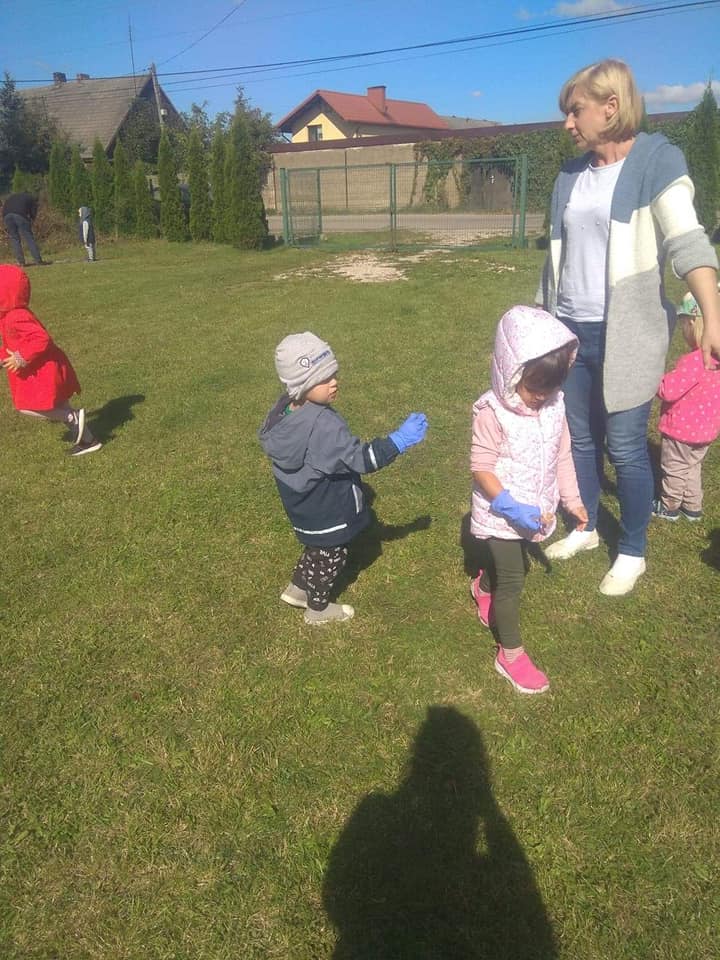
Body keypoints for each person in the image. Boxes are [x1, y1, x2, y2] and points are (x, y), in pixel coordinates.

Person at [538, 58, 720, 596]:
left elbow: (687, 243)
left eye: (576, 110)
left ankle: (633, 549)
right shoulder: (569, 175)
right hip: (569, 331)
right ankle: (588, 526)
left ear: (610, 107)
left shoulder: (657, 161)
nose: (568, 123)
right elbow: (555, 259)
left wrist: (712, 316)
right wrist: (541, 322)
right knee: (580, 438)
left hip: (629, 334)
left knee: (624, 446)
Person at [259, 331, 428, 625]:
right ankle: (317, 609)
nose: (334, 382)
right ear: (301, 384)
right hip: (328, 509)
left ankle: (298, 589)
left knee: (318, 548)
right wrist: (399, 441)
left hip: (302, 503)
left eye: (333, 374)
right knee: (332, 555)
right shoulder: (324, 424)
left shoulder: (284, 409)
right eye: (323, 379)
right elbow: (360, 460)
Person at [470, 305, 588, 694]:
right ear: (511, 371)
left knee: (512, 565)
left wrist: (571, 499)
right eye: (534, 387)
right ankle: (511, 655)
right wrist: (509, 507)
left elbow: (562, 455)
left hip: (535, 512)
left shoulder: (554, 406)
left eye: (550, 387)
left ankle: (482, 587)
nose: (541, 396)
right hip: (500, 514)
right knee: (514, 579)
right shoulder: (492, 413)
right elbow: (481, 467)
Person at [0, 264, 101, 456]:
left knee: (25, 407)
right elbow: (12, 344)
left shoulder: (15, 316)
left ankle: (71, 417)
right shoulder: (7, 316)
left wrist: (21, 357)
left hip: (43, 370)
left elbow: (41, 338)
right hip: (42, 367)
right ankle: (89, 441)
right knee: (61, 404)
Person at [652, 292, 720, 522]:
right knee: (692, 466)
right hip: (706, 430)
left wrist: (655, 379)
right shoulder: (717, 361)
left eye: (684, 325)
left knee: (674, 467)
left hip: (681, 430)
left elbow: (668, 390)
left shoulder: (695, 361)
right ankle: (692, 506)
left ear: (692, 323)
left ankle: (669, 506)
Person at [2, 192, 47, 267]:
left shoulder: (14, 196)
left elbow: (4, 207)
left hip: (6, 216)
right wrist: (31, 221)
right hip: (19, 215)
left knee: (15, 239)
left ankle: (21, 263)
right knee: (29, 238)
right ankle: (38, 261)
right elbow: (33, 213)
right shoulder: (32, 199)